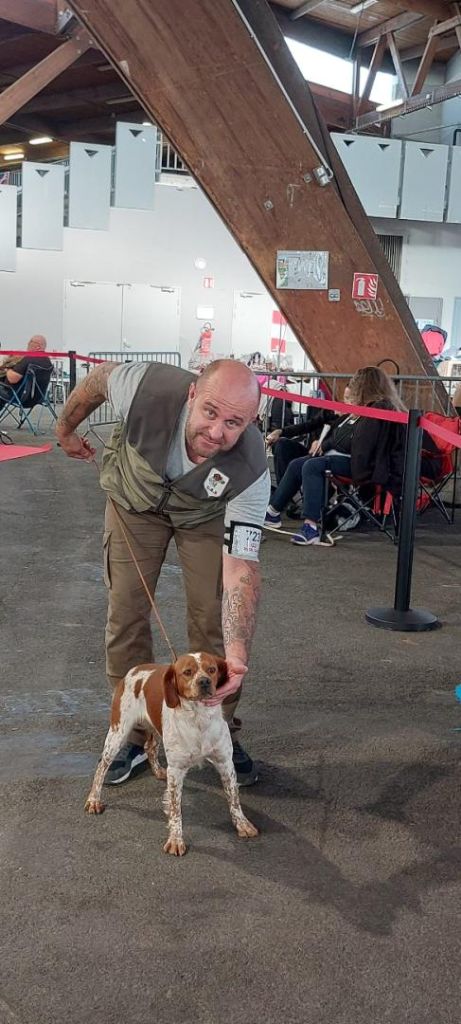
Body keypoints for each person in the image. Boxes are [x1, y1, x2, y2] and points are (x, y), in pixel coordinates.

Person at [56, 359, 271, 786]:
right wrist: (66, 429)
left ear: (252, 421)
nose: (216, 432)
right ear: (192, 394)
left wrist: (239, 655)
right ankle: (135, 734)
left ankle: (216, 730)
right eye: (210, 412)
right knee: (126, 613)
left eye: (234, 423)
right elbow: (96, 381)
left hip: (204, 514)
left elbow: (241, 568)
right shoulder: (143, 388)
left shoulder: (251, 471)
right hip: (133, 501)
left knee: (214, 623)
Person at [265, 366, 407, 546]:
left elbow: (352, 443)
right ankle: (273, 511)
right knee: (297, 464)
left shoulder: (377, 410)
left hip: (364, 465)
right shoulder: (362, 410)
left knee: (312, 465)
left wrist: (326, 443)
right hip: (351, 458)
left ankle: (311, 526)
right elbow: (340, 436)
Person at [0, 335, 52, 409]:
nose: (28, 343)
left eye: (31, 341)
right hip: (37, 398)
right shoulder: (47, 361)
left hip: (19, 396)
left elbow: (13, 379)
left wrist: (7, 369)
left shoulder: (29, 359)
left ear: (38, 346)